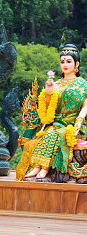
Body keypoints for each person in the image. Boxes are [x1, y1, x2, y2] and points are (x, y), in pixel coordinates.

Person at [21, 44, 87, 181]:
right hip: (56, 123)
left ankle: (43, 168)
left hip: (73, 125)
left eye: (69, 61)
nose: (65, 64)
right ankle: (36, 166)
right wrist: (48, 92)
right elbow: (47, 107)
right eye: (62, 61)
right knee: (40, 136)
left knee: (51, 134)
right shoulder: (56, 83)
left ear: (77, 64)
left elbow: (85, 105)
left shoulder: (82, 84)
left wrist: (79, 121)